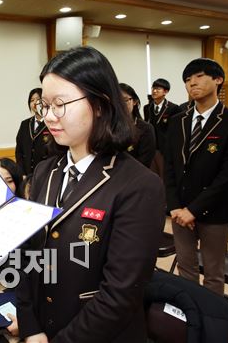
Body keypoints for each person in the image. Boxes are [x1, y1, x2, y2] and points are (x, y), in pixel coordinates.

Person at [16, 46, 165, 342]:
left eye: (60, 104)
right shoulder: (45, 171)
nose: (48, 116)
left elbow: (120, 294)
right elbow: (27, 255)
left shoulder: (138, 184)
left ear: (100, 104)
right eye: (44, 105)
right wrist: (31, 328)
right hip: (43, 329)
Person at [165, 58, 228, 295]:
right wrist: (174, 207)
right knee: (186, 270)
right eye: (187, 80)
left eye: (199, 76)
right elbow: (169, 167)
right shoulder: (177, 121)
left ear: (218, 80)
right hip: (179, 211)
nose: (192, 83)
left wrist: (193, 210)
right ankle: (189, 319)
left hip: (214, 212)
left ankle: (211, 325)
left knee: (213, 274)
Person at [143, 78, 182, 179]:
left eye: (157, 88)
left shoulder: (173, 108)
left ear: (165, 91)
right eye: (153, 88)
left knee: (164, 174)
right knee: (152, 173)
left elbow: (176, 131)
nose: (154, 91)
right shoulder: (147, 108)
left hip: (165, 147)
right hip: (151, 145)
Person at [15, 88, 53, 175]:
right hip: (27, 174)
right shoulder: (25, 124)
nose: (35, 103)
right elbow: (19, 151)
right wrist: (22, 174)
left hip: (46, 173)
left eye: (38, 99)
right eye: (32, 100)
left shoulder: (51, 122)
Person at [120, 83, 156, 168]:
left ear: (135, 102)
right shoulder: (108, 127)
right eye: (117, 101)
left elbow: (144, 162)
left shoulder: (146, 129)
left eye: (125, 100)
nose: (120, 104)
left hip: (136, 176)